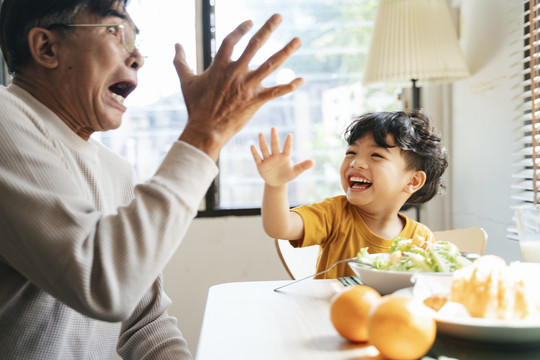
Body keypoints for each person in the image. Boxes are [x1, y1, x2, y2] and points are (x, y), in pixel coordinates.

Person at [0, 0, 303, 358]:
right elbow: (104, 284)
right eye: (115, 31)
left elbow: (144, 323)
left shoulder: (117, 171)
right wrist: (205, 133)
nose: (137, 58)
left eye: (136, 40)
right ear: (46, 48)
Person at [251, 110, 448, 279]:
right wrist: (275, 186)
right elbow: (279, 227)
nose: (356, 163)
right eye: (351, 153)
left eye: (376, 155)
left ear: (412, 181)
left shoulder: (420, 237)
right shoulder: (334, 213)